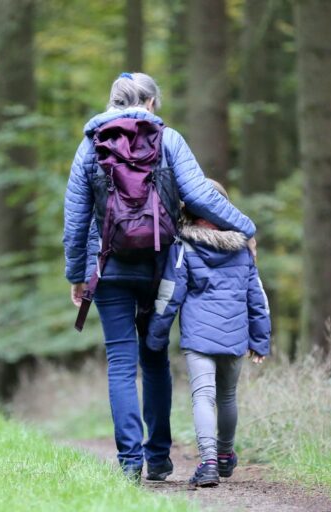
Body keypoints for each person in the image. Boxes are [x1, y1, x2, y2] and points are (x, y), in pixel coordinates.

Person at [63, 72, 257, 481]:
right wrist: (246, 227)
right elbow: (202, 195)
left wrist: (77, 275)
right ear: (151, 102)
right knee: (154, 358)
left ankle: (130, 463)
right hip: (160, 267)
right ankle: (159, 458)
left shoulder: (89, 145)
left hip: (109, 267)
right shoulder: (169, 140)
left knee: (120, 361)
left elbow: (75, 220)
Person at [146, 179, 271, 488]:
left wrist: (156, 335)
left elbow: (169, 293)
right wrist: (260, 339)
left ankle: (209, 462)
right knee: (227, 396)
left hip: (199, 337)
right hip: (235, 334)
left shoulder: (184, 246)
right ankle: (226, 455)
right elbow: (257, 297)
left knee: (204, 396)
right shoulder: (243, 248)